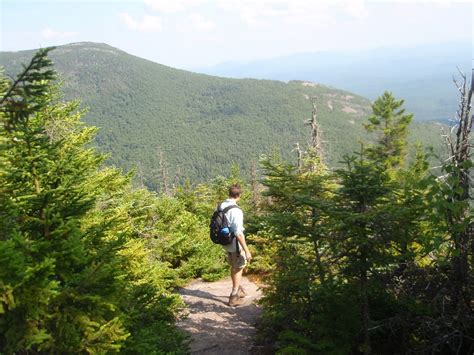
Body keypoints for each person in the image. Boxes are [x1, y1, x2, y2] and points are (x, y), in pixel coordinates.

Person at [219, 184, 252, 306]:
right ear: (239, 195)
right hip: (235, 244)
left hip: (225, 241)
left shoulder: (221, 205)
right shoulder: (236, 211)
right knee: (238, 267)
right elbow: (238, 233)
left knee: (234, 265)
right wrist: (247, 250)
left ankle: (238, 288)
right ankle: (234, 296)